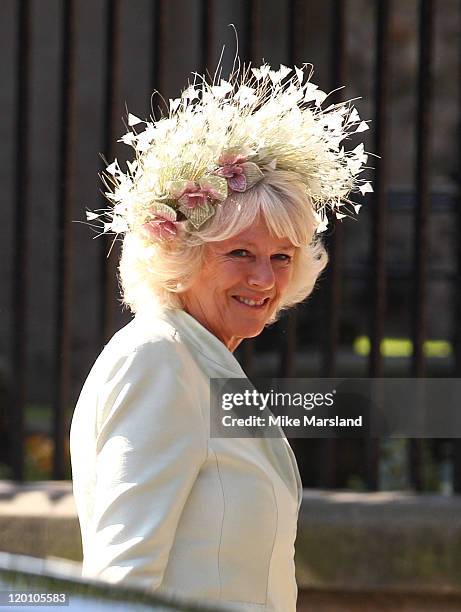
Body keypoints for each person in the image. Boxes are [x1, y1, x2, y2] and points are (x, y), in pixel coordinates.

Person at [70, 61, 372, 611]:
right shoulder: (158, 361)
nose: (264, 279)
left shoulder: (201, 360)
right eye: (240, 253)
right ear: (180, 255)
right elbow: (121, 582)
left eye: (281, 258)